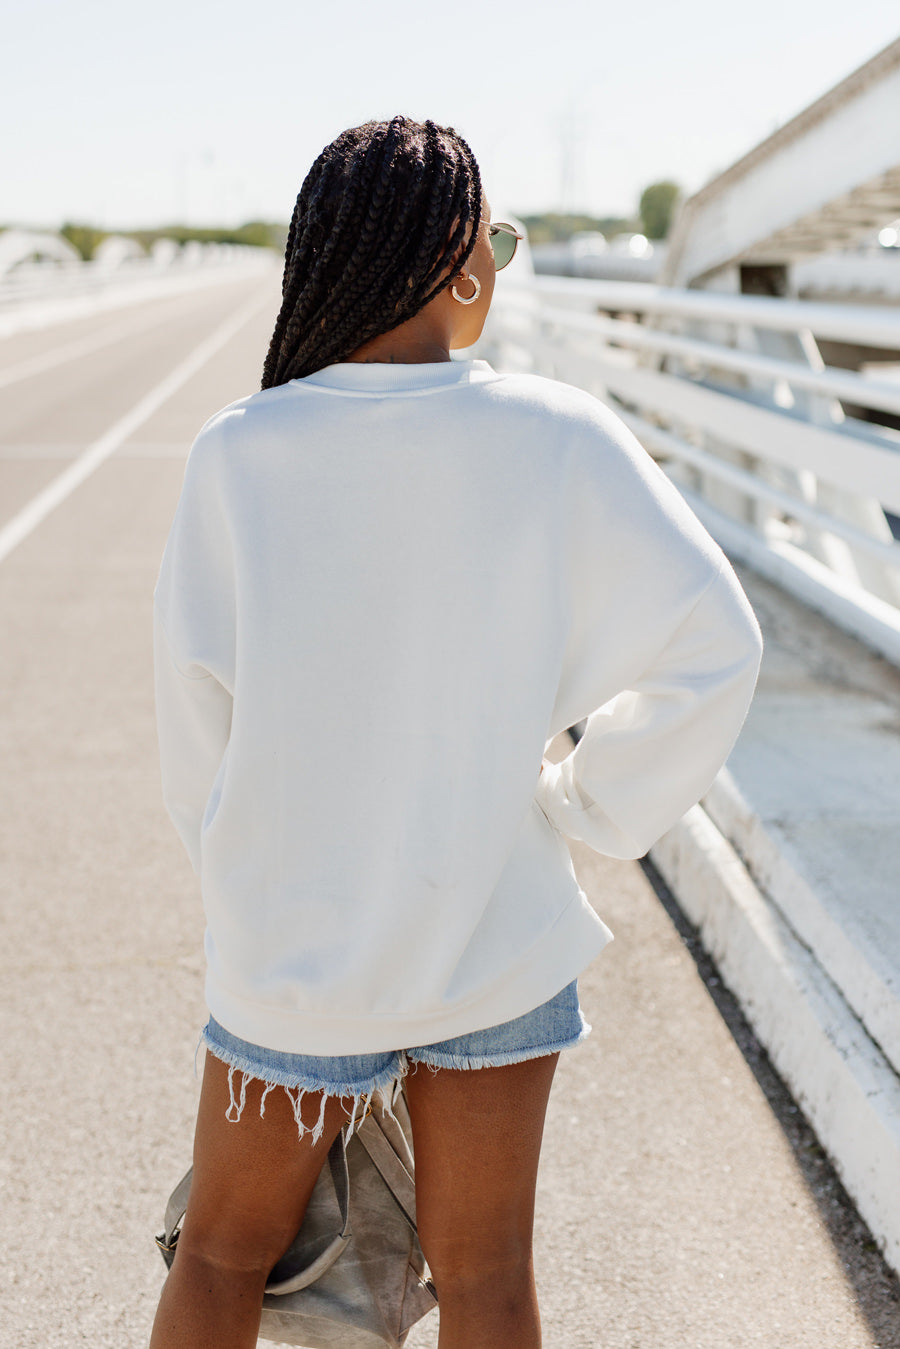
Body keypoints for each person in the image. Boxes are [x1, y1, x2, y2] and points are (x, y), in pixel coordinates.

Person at [149, 115, 763, 1349]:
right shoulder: (557, 434)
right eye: (501, 243)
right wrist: (584, 805)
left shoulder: (239, 451)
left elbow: (196, 730)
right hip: (495, 928)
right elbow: (717, 644)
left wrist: (246, 893)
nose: (502, 265)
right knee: (486, 1277)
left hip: (296, 948)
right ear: (455, 262)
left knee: (221, 1251)